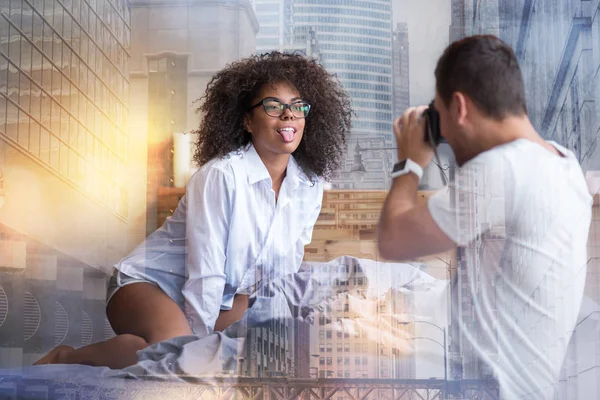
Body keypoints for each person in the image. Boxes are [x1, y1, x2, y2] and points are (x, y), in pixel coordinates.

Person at [34, 51, 352, 369]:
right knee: (177, 355)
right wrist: (196, 353)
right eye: (273, 106)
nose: (289, 116)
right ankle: (67, 358)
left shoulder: (309, 186)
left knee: (252, 359)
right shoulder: (222, 176)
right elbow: (206, 272)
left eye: (298, 106)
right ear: (246, 120)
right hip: (147, 284)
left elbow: (282, 271)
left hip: (228, 297)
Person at [377, 35, 592, 399]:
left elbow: (393, 239)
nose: (443, 139)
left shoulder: (503, 169)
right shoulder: (564, 164)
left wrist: (409, 163)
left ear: (460, 107)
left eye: (441, 119)